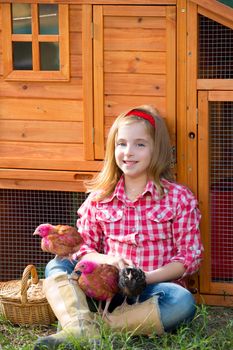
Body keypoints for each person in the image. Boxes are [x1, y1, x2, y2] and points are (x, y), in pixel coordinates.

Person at [34, 105, 203, 349]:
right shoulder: (100, 197)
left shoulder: (177, 197)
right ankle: (80, 323)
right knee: (57, 264)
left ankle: (87, 326)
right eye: (121, 143)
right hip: (103, 286)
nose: (128, 152)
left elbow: (189, 257)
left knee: (182, 301)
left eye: (140, 144)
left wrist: (144, 278)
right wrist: (109, 260)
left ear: (157, 149)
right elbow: (83, 247)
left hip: (149, 291)